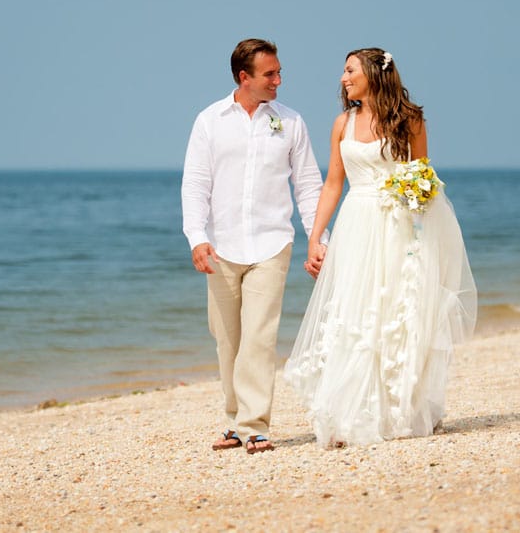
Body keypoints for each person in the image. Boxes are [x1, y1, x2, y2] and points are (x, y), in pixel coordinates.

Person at [284, 47, 477, 448]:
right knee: (354, 311)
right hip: (356, 224)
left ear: (374, 73)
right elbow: (333, 184)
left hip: (398, 226)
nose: (342, 77)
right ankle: (349, 413)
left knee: (395, 310)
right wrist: (316, 238)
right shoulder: (342, 123)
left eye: (350, 70)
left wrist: (419, 219)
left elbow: (422, 175)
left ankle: (398, 410)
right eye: (343, 71)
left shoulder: (411, 119)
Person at [182, 38, 326, 454]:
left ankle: (255, 424)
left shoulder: (291, 122)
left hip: (272, 243)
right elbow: (195, 184)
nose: (279, 80)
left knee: (259, 338)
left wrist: (318, 238)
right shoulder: (209, 121)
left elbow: (308, 186)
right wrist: (197, 237)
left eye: (279, 72)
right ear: (244, 77)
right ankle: (234, 421)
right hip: (221, 246)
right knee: (227, 338)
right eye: (271, 74)